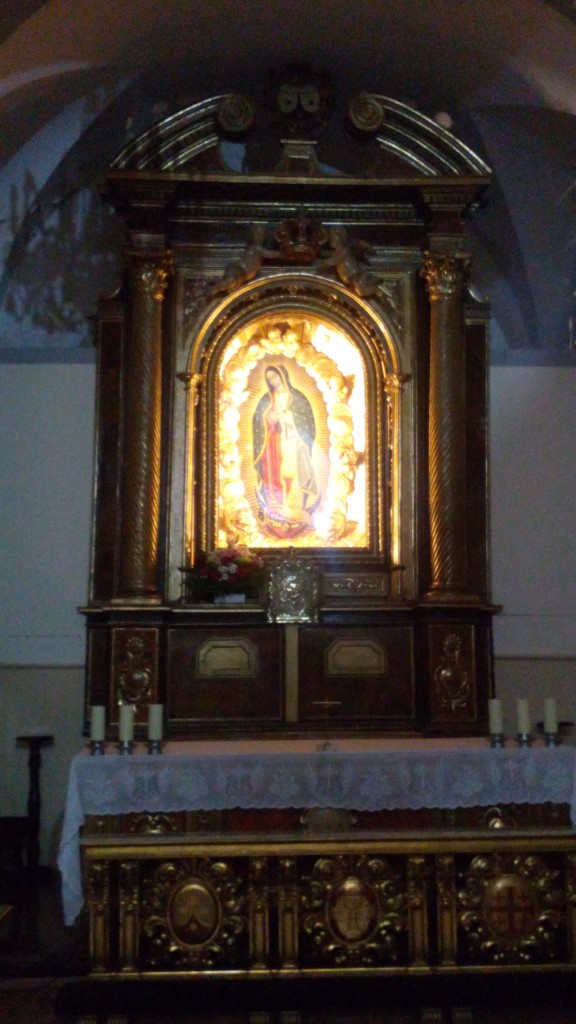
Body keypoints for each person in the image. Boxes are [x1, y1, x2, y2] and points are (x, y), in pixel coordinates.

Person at [253, 364, 320, 538]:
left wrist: (290, 419)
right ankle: (276, 516)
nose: (273, 381)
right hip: (274, 445)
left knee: (294, 477)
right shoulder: (266, 399)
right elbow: (257, 422)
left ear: (283, 375)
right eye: (269, 379)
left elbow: (308, 424)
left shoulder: (298, 398)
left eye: (275, 376)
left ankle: (295, 514)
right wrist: (268, 419)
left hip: (294, 443)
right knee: (276, 476)